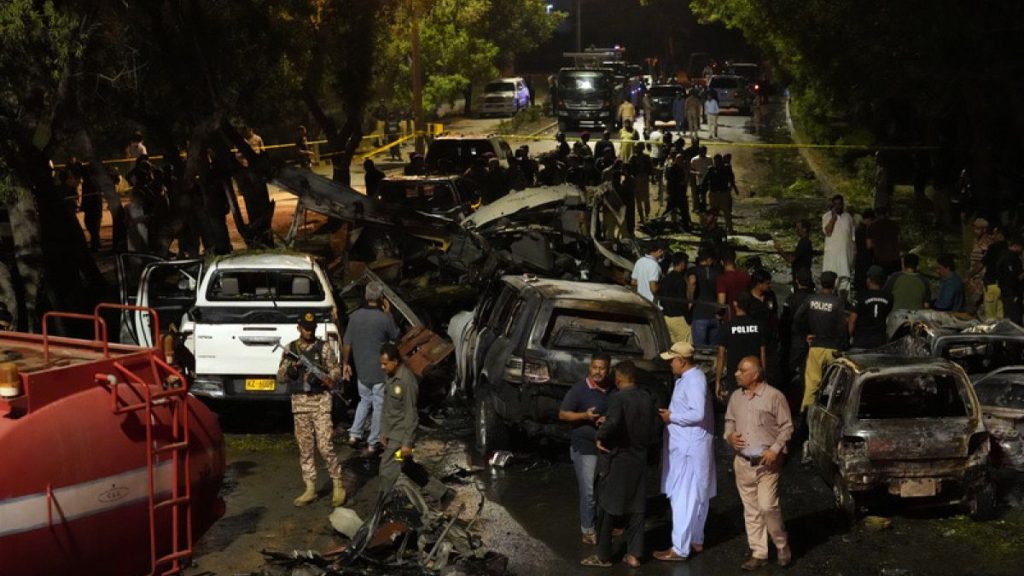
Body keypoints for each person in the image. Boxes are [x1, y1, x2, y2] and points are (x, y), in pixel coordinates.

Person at [581, 362, 661, 568]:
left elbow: (614, 423)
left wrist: (600, 436)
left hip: (619, 458)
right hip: (640, 459)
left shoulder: (618, 398)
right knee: (637, 508)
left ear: (619, 378)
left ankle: (603, 555)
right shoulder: (647, 397)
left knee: (607, 507)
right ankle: (634, 554)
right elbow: (656, 427)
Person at [724, 356, 794, 570]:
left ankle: (781, 545)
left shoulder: (774, 396)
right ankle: (759, 552)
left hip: (767, 464)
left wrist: (775, 449)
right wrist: (729, 436)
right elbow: (729, 421)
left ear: (755, 375)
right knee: (751, 510)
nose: (736, 373)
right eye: (737, 369)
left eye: (741, 370)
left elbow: (787, 427)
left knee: (767, 506)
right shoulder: (736, 397)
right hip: (743, 462)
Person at [277, 311, 346, 507]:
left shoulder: (323, 348)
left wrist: (323, 376)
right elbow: (280, 376)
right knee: (305, 448)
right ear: (299, 328)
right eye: (306, 328)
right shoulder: (291, 349)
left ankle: (338, 483)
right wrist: (291, 371)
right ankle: (310, 487)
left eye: (312, 328)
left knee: (325, 445)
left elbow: (336, 372)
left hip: (320, 402)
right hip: (300, 404)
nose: (309, 332)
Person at [655, 343, 716, 562]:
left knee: (684, 496)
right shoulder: (691, 378)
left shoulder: (693, 380)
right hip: (690, 445)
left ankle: (680, 548)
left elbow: (697, 412)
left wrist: (672, 417)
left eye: (672, 360)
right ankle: (696, 538)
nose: (670, 364)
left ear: (682, 360)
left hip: (689, 446)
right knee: (697, 493)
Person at [376, 342, 454, 506]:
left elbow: (411, 414)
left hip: (401, 437)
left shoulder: (407, 382)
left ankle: (382, 505)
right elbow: (387, 408)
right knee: (406, 465)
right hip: (391, 434)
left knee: (387, 469)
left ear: (395, 361)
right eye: (381, 364)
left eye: (385, 363)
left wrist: (407, 444)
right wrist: (383, 431)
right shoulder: (390, 377)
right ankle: (442, 492)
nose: (382, 367)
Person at [559, 353, 613, 545]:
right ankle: (588, 529)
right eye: (595, 367)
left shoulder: (612, 390)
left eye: (602, 368)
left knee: (604, 490)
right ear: (590, 367)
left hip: (606, 447)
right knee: (588, 490)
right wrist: (585, 416)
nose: (598, 371)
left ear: (609, 369)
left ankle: (606, 525)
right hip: (585, 447)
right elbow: (563, 414)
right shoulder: (579, 389)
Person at [342, 281, 401, 455]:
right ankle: (373, 441)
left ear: (366, 297)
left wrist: (346, 363)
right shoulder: (384, 318)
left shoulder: (355, 317)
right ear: (381, 298)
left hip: (361, 369)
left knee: (364, 400)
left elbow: (347, 343)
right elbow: (396, 337)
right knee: (378, 405)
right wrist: (389, 314)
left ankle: (354, 434)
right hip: (379, 370)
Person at [716, 292, 766, 401]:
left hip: (735, 376)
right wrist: (764, 376)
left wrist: (718, 381)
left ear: (735, 304)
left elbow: (721, 355)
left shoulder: (727, 327)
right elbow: (763, 353)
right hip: (754, 376)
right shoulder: (758, 326)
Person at [848, 267, 893, 348]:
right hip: (880, 341)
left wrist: (847, 338)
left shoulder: (860, 296)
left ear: (868, 280)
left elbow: (852, 320)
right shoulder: (889, 297)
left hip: (861, 340)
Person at [821, 195, 855, 296]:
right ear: (832, 205)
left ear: (843, 204)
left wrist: (854, 253)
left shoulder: (848, 217)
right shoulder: (826, 216)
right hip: (831, 259)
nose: (838, 206)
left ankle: (843, 305)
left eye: (840, 204)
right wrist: (833, 218)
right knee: (831, 283)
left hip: (845, 257)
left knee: (844, 283)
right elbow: (827, 232)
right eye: (835, 204)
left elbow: (852, 238)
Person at [690, 247, 722, 347]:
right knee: (713, 351)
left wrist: (690, 300)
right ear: (709, 259)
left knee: (699, 350)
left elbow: (692, 281)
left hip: (699, 314)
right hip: (715, 315)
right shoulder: (718, 273)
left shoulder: (693, 270)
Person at [661, 252, 693, 344]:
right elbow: (682, 301)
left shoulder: (665, 278)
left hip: (666, 317)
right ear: (682, 263)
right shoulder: (680, 280)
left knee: (672, 347)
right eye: (686, 263)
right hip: (678, 318)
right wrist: (688, 318)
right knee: (685, 346)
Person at [866, 206, 901, 278]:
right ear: (887, 213)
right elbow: (899, 240)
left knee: (879, 281)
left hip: (880, 259)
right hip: (894, 258)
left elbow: (868, 245)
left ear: (876, 214)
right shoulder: (894, 224)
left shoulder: (872, 226)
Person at [716, 246, 751, 318]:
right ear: (734, 260)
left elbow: (721, 303)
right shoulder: (746, 276)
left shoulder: (722, 279)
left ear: (722, 262)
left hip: (729, 317)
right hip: (745, 316)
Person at [690, 146, 712, 214]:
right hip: (698, 181)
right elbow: (691, 170)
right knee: (698, 195)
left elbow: (711, 169)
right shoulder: (694, 160)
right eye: (702, 151)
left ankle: (702, 208)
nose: (703, 153)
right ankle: (698, 208)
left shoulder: (709, 159)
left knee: (703, 195)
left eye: (705, 151)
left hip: (706, 181)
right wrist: (697, 173)